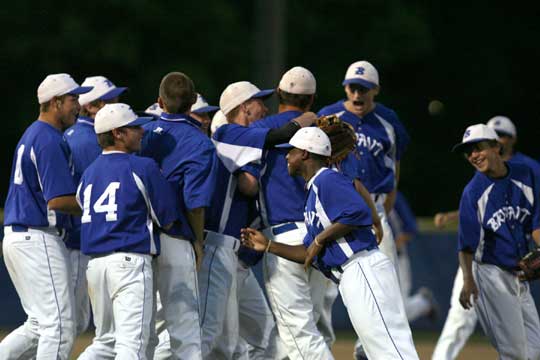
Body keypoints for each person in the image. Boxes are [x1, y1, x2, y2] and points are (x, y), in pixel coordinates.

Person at [241, 127, 419, 360]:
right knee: (380, 350)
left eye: (291, 151)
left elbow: (358, 212)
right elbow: (308, 252)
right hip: (352, 275)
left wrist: (320, 238)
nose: (287, 156)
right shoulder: (314, 190)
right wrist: (269, 246)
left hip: (362, 267)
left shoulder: (327, 179)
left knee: (390, 349)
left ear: (305, 154)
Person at [317, 60, 410, 359]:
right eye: (353, 88)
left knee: (385, 286)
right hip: (335, 213)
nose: (357, 95)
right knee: (328, 288)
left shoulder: (388, 120)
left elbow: (395, 163)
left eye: (364, 90)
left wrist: (389, 199)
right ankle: (319, 348)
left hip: (376, 212)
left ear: (376, 91)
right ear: (345, 87)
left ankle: (366, 349)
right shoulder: (327, 117)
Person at [432, 116, 540, 360]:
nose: (473, 155)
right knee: (514, 352)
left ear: (496, 147)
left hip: (518, 273)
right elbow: (466, 245)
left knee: (534, 348)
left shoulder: (526, 175)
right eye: (468, 152)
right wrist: (468, 280)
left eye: (478, 148)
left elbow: (536, 222)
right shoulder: (473, 192)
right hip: (490, 274)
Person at [77, 103, 179, 359]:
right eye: (134, 128)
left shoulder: (89, 173)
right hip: (129, 263)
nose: (141, 132)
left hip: (96, 265)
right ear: (118, 134)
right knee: (132, 346)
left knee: (104, 343)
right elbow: (167, 219)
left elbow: (81, 202)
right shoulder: (141, 166)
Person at [0, 73, 91, 359]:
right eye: (73, 99)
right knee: (60, 325)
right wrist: (93, 204)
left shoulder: (34, 134)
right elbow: (57, 200)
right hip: (37, 236)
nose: (78, 104)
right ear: (55, 102)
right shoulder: (48, 139)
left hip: (22, 235)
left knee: (40, 325)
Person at [250, 67, 335, 359]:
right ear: (311, 99)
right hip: (321, 237)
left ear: (278, 94)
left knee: (298, 332)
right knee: (307, 327)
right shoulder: (325, 131)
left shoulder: (261, 130)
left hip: (284, 239)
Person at [139, 71, 216, 360]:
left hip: (139, 238)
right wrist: (198, 242)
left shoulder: (142, 133)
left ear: (159, 101)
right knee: (184, 330)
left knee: (144, 333)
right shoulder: (200, 143)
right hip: (175, 237)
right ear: (194, 101)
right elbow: (195, 204)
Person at [198, 80, 276, 359]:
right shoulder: (230, 136)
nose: (265, 108)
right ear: (244, 107)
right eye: (259, 102)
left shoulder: (235, 141)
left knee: (256, 339)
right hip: (219, 247)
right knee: (212, 339)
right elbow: (249, 186)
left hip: (234, 253)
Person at [64, 75, 128, 336]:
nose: (116, 104)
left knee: (75, 325)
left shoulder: (72, 135)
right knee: (71, 325)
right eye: (109, 101)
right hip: (82, 240)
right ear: (91, 106)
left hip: (76, 239)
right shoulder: (89, 140)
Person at [389, 192, 438, 322]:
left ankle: (423, 303)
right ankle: (423, 302)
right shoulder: (362, 194)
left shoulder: (392, 195)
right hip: (374, 261)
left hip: (397, 259)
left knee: (399, 308)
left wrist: (393, 246)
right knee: (380, 304)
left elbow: (410, 228)